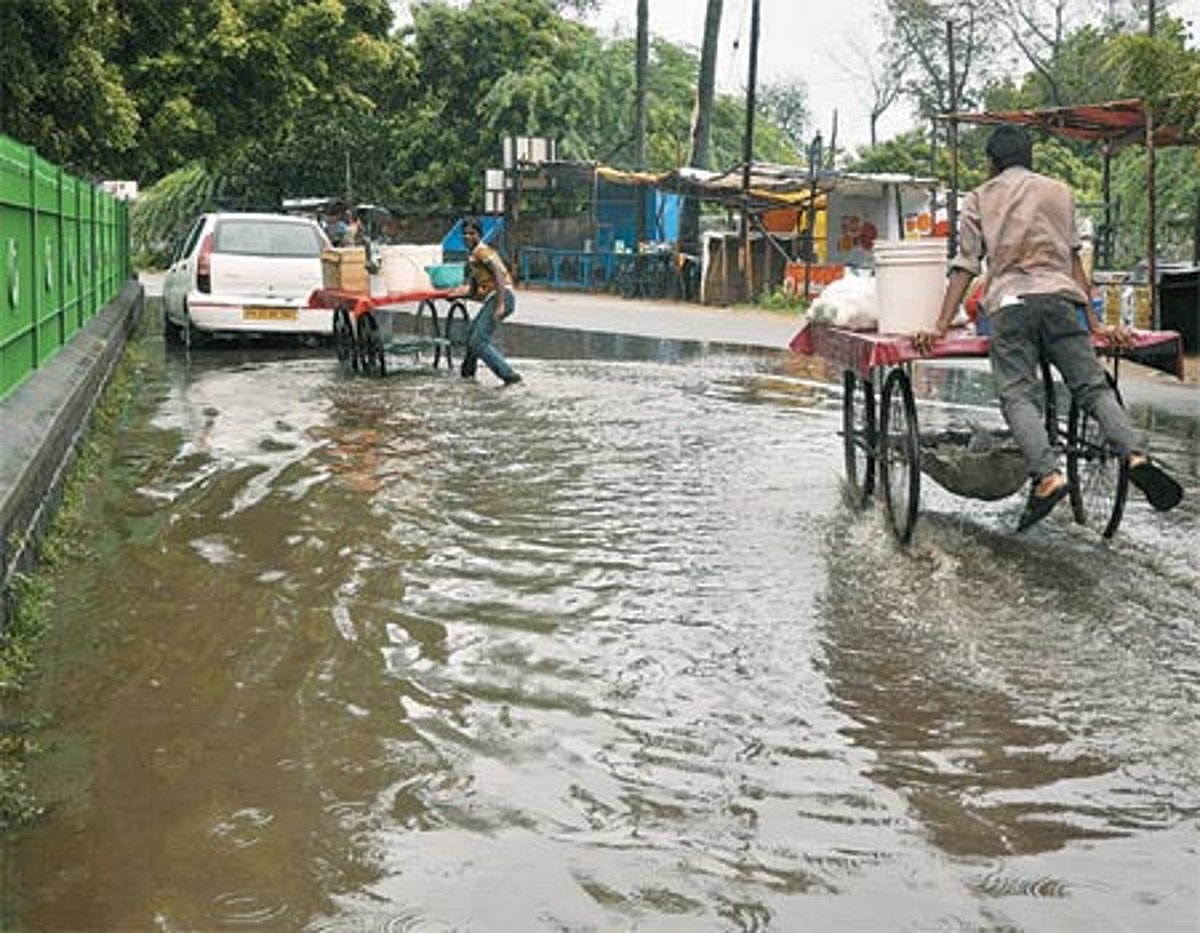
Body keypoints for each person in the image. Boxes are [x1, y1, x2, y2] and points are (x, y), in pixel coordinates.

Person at [913, 123, 1181, 531]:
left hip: (1010, 304)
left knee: (1018, 396)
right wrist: (1093, 320)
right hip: (1061, 301)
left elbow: (966, 266)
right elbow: (1075, 263)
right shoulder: (1059, 192)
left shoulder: (980, 198)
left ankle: (1048, 474)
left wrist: (939, 325)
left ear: (991, 162)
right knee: (1092, 387)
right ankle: (1135, 454)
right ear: (1030, 157)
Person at [460, 218, 522, 385]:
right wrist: (456, 296)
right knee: (472, 333)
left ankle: (510, 377)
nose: (467, 236)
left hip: (503, 297)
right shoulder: (473, 256)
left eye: (472, 233)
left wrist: (501, 305)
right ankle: (467, 375)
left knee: (478, 341)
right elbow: (475, 293)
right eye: (465, 233)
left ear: (479, 235)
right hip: (494, 298)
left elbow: (499, 276)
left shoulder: (482, 252)